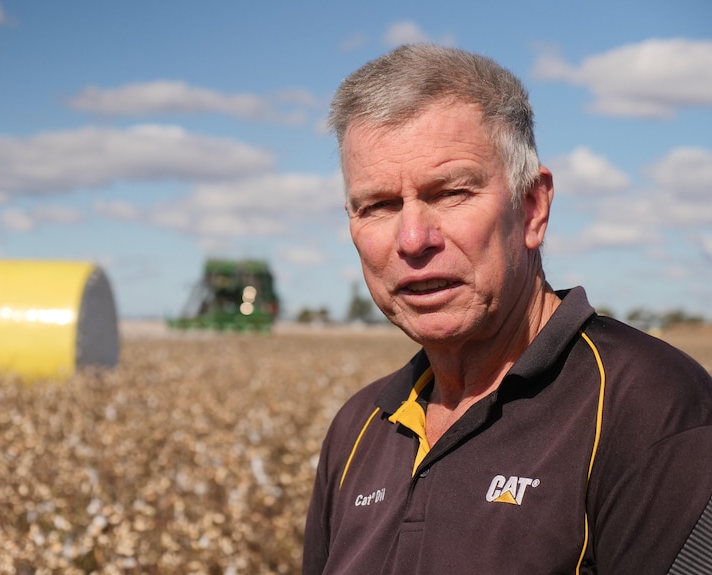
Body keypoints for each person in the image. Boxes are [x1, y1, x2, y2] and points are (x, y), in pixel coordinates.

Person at [302, 44, 712, 575]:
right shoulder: (360, 427)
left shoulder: (649, 407)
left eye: (450, 192)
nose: (412, 239)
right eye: (378, 205)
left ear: (533, 208)